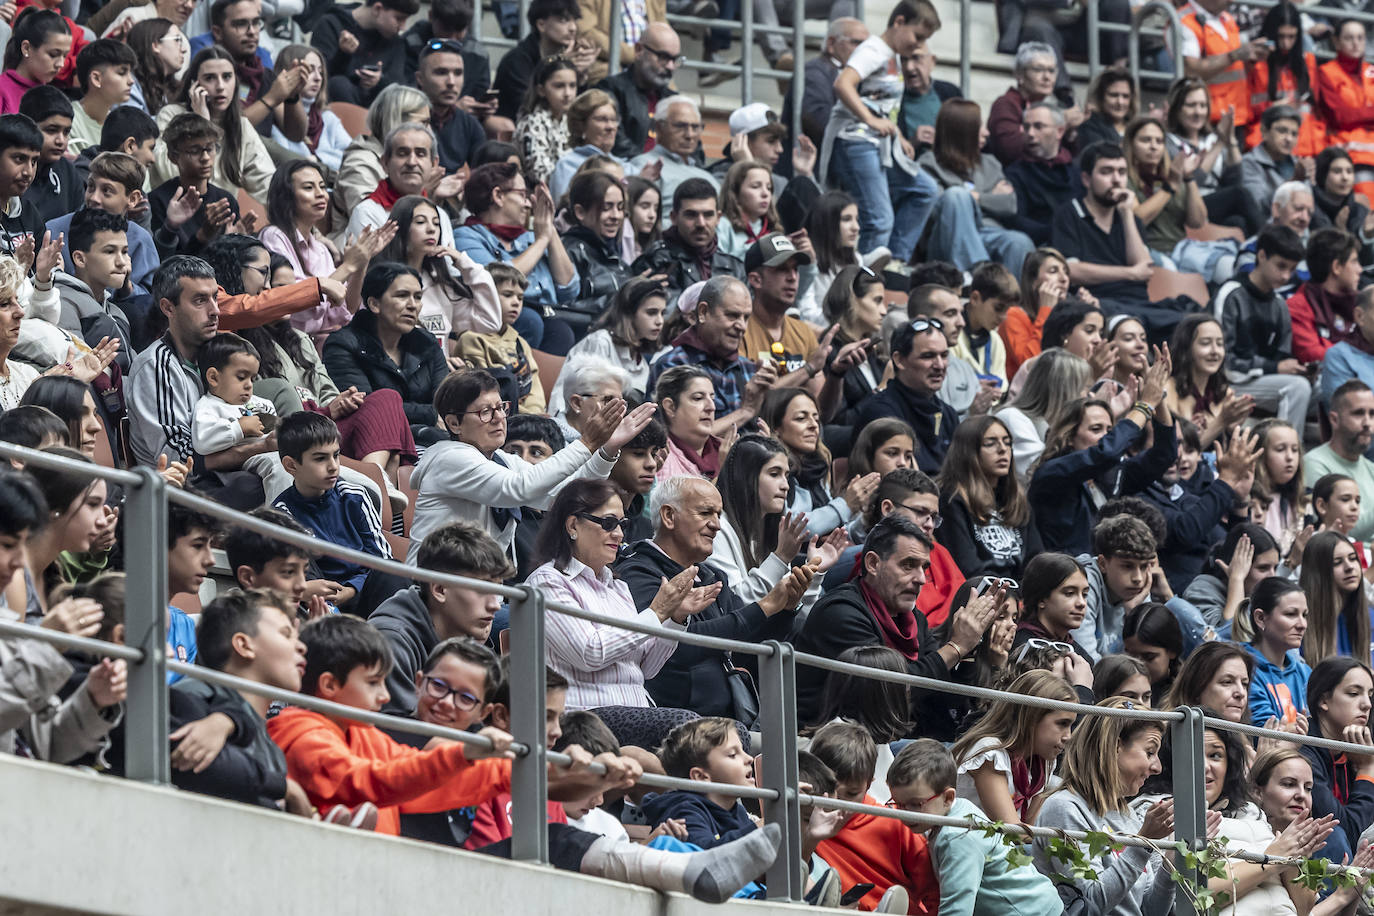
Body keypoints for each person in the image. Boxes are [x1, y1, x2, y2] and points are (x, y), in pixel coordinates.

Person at [408, 367, 654, 561]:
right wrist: (587, 442)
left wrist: (607, 449)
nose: (498, 419)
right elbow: (519, 489)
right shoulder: (450, 458)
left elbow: (571, 494)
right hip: (433, 590)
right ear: (453, 424)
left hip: (478, 593)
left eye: (500, 408)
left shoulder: (504, 462)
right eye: (485, 412)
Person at [615, 474, 809, 719]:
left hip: (730, 721)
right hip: (676, 725)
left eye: (718, 514)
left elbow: (748, 642)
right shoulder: (638, 572)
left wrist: (786, 608)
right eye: (706, 513)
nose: (717, 524)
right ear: (669, 516)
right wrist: (766, 605)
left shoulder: (711, 575)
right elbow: (674, 649)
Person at [530, 477, 721, 711]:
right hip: (585, 716)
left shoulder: (618, 587)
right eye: (609, 523)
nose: (619, 534)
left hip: (636, 711)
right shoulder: (548, 581)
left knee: (734, 734)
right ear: (572, 526)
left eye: (623, 524)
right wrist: (656, 611)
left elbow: (648, 668)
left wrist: (675, 617)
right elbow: (591, 653)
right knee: (691, 729)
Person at [793, 514, 1001, 725]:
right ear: (873, 563)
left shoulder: (914, 619)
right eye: (908, 565)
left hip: (883, 742)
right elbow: (891, 691)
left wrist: (968, 650)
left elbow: (942, 697)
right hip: (825, 744)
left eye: (924, 568)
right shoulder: (841, 612)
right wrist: (956, 646)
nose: (920, 579)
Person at [1031, 696, 1174, 914]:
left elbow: (1149, 911)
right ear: (1115, 745)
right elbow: (1090, 904)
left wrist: (1171, 866)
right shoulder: (1063, 808)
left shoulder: (1127, 815)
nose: (1158, 767)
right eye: (1150, 752)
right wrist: (1144, 843)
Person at [1028, 351, 1174, 557]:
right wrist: (1145, 404)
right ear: (1069, 437)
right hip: (1063, 578)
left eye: (1109, 430)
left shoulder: (1108, 474)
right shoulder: (1052, 472)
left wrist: (1159, 397)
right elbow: (1105, 453)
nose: (1106, 436)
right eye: (1096, 429)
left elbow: (1164, 455)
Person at [823, 0, 939, 261]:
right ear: (899, 22)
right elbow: (843, 84)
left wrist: (897, 134)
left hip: (880, 145)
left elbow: (882, 103)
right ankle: (861, 284)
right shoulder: (873, 50)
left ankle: (893, 263)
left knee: (926, 190)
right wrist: (870, 120)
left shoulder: (892, 55)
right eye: (917, 36)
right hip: (856, 142)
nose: (919, 45)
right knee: (879, 219)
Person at [1053, 142, 1199, 343]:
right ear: (1086, 179)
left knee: (1193, 324)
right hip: (1096, 303)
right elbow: (1072, 270)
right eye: (1106, 172)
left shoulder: (1128, 216)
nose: (1116, 180)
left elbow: (1144, 269)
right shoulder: (1069, 213)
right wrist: (1130, 273)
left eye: (1121, 172)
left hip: (1139, 303)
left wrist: (1127, 215)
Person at [270, 412, 411, 616]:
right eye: (320, 459)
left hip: (363, 595)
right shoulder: (282, 514)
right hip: (316, 600)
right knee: (297, 567)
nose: (333, 466)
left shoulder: (356, 497)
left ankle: (392, 638)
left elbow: (381, 561)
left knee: (392, 570)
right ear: (291, 465)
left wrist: (352, 589)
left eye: (336, 455)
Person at [368, 521, 513, 714]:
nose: (495, 605)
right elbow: (397, 734)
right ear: (440, 589)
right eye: (482, 590)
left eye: (496, 592)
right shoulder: (391, 641)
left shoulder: (463, 635)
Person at [321, 262, 451, 447]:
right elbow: (369, 407)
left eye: (418, 297)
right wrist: (430, 414)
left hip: (433, 437)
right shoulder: (344, 345)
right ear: (374, 304)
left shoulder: (426, 342)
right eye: (402, 295)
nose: (413, 305)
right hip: (378, 443)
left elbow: (447, 399)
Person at [454, 162, 578, 355]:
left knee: (562, 331)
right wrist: (543, 239)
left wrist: (550, 229)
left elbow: (569, 288)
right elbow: (497, 281)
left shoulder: (531, 237)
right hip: (500, 320)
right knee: (530, 320)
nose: (528, 204)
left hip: (548, 316)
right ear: (498, 196)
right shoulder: (466, 236)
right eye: (522, 195)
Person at [261, 160, 380, 347]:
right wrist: (348, 265)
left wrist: (361, 263)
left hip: (319, 345)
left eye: (323, 187)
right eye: (309, 187)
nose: (321, 194)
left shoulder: (321, 249)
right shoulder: (274, 236)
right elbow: (293, 304)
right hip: (283, 343)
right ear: (286, 196)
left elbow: (346, 309)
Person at [371, 195, 501, 360]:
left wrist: (463, 262)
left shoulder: (441, 286)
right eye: (420, 222)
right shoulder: (380, 281)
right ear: (401, 228)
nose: (431, 229)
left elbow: (489, 321)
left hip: (440, 380)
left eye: (436, 223)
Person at [918, 99, 1033, 275]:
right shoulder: (929, 164)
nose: (986, 133)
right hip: (946, 240)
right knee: (955, 196)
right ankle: (971, 273)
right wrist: (988, 197)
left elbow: (1010, 205)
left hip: (987, 233)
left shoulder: (991, 163)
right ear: (961, 132)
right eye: (979, 127)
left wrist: (977, 198)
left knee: (1019, 241)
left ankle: (1008, 300)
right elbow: (938, 209)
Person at [1215, 223, 1311, 433]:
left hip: (1261, 380)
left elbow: (1280, 357)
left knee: (1322, 386)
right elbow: (1223, 362)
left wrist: (1295, 369)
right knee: (1297, 388)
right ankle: (1288, 452)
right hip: (1228, 381)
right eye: (1281, 266)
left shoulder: (1279, 305)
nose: (1286, 276)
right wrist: (1274, 368)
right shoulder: (1231, 294)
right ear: (1261, 256)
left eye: (1292, 269)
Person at [648, 276, 776, 432]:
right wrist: (745, 412)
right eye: (732, 315)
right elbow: (671, 440)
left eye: (746, 317)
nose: (741, 326)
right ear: (703, 312)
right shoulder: (673, 365)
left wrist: (770, 394)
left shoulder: (748, 369)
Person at [950, 670, 1076, 827]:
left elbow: (1032, 827)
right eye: (1062, 724)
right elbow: (1012, 830)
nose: (1068, 736)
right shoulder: (989, 754)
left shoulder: (1042, 761)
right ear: (1032, 717)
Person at [151, 47, 275, 204]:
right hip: (174, 212)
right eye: (210, 78)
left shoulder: (241, 126)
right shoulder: (170, 115)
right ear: (194, 85)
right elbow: (169, 173)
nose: (220, 86)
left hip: (223, 218)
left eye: (227, 77)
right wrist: (202, 123)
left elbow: (266, 183)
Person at [1125, 116, 1237, 284]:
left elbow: (1197, 222)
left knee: (1229, 266)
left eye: (1159, 141)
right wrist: (1169, 187)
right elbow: (1137, 220)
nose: (1154, 146)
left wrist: (1188, 177)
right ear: (1131, 144)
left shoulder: (1173, 174)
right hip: (1148, 252)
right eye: (1146, 140)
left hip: (1182, 249)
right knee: (1175, 272)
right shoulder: (1124, 178)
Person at [936, 415, 1041, 580]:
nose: (1002, 449)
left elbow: (1036, 562)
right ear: (968, 451)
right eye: (990, 443)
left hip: (1021, 597)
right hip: (980, 595)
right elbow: (967, 568)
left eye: (1007, 442)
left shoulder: (1017, 499)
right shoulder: (951, 500)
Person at [856, 317, 961, 475]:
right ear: (899, 360)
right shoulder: (881, 413)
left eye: (944, 355)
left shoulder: (949, 415)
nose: (940, 365)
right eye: (928, 356)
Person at [763, 387, 874, 537]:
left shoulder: (816, 466)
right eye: (801, 418)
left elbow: (837, 530)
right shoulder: (774, 471)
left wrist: (863, 514)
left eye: (816, 418)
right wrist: (845, 504)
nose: (813, 425)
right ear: (776, 428)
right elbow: (791, 528)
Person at [641, 717, 760, 849]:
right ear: (701, 776)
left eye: (743, 751)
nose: (749, 758)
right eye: (732, 754)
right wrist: (759, 830)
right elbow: (705, 856)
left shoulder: (738, 812)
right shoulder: (684, 811)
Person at [1301, 657, 1374, 863]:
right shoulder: (1303, 749)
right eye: (1353, 693)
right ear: (1324, 700)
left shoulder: (1359, 747)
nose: (1367, 704)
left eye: (1370, 695)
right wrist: (1367, 771)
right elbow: (1347, 833)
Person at [552, 278, 665, 411]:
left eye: (662, 313)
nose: (660, 321)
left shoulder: (642, 363)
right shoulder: (601, 342)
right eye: (651, 313)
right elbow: (578, 401)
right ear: (629, 312)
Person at [632, 180, 745, 305]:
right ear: (674, 218)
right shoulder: (656, 262)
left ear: (718, 218)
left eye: (708, 215)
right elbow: (665, 316)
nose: (701, 224)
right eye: (691, 215)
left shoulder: (735, 268)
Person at [147, 113, 241, 258]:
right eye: (195, 151)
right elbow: (166, 265)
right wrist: (202, 236)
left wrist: (238, 245)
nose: (205, 158)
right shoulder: (158, 201)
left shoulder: (226, 201)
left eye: (210, 149)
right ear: (173, 157)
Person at [457, 262, 545, 415]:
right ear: (485, 296)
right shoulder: (471, 338)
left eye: (520, 297)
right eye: (508, 294)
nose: (516, 302)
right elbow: (483, 392)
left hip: (531, 417)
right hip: (496, 416)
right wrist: (527, 415)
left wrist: (535, 413)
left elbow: (534, 387)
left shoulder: (520, 343)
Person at [333, 83, 430, 222]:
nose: (429, 131)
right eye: (423, 124)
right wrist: (426, 193)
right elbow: (368, 223)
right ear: (397, 121)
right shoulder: (360, 162)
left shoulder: (416, 160)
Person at [994, 348, 1090, 481]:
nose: (1087, 395)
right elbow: (1039, 474)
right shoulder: (1011, 418)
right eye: (1083, 388)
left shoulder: (1053, 425)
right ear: (1062, 391)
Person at [1164, 314, 1252, 450]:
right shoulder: (1168, 388)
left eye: (1220, 344)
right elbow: (1180, 455)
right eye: (1205, 343)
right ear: (1186, 348)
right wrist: (1222, 421)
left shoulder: (1224, 391)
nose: (1215, 351)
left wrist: (1232, 431)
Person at [986, 43, 1081, 167]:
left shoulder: (1053, 106)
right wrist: (1060, 123)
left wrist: (1069, 134)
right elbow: (1010, 151)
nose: (1047, 77)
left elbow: (1072, 158)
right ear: (1019, 74)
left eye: (1051, 71)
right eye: (1038, 70)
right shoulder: (1005, 105)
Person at [594, 21, 679, 159]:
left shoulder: (675, 102)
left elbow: (694, 155)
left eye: (674, 59)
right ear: (639, 50)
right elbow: (618, 146)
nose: (670, 66)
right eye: (663, 57)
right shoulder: (610, 90)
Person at [631, 97, 720, 228]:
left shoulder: (708, 177)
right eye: (680, 126)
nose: (689, 135)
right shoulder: (644, 166)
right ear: (659, 127)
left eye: (695, 127)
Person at [560, 170, 632, 331]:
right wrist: (624, 297)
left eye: (620, 208)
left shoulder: (611, 254)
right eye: (607, 208)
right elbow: (565, 309)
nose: (616, 216)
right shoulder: (568, 251)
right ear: (580, 212)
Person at [310, 0, 418, 107]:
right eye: (399, 19)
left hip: (376, 113)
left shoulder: (396, 42)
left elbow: (400, 86)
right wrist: (343, 55)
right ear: (377, 9)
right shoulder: (331, 24)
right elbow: (319, 78)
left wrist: (379, 82)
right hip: (335, 110)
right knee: (339, 84)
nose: (403, 27)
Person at [491, 0, 583, 123]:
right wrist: (558, 66)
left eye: (574, 20)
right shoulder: (516, 60)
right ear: (541, 25)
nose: (573, 28)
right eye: (563, 20)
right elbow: (526, 107)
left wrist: (581, 77)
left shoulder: (567, 58)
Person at [820, 265, 887, 429]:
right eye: (877, 301)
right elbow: (837, 422)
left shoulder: (873, 350)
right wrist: (882, 389)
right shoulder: (829, 351)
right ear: (852, 298)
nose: (884, 311)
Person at [786, 18, 868, 151]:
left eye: (867, 45)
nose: (864, 51)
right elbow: (819, 120)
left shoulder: (854, 74)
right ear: (831, 43)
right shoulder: (814, 72)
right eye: (857, 43)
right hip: (809, 163)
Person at [266, 45, 351, 173]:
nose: (318, 78)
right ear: (289, 71)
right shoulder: (277, 119)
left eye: (321, 72)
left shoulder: (328, 118)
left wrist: (319, 159)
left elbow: (353, 156)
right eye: (310, 71)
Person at [1003, 103, 1076, 248]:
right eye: (1026, 127)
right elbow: (1017, 219)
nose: (1030, 134)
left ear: (1060, 132)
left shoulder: (1078, 172)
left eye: (1038, 126)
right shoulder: (1015, 173)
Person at [1306, 381, 1374, 536]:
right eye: (1358, 413)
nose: (1367, 423)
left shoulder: (1371, 468)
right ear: (1334, 419)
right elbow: (1334, 530)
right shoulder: (1314, 463)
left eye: (1372, 414)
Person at [1246, 576, 1311, 727]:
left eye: (1304, 615)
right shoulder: (1243, 668)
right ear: (1261, 618)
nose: (1302, 624)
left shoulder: (1305, 672)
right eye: (1291, 614)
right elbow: (1265, 734)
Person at [548, 90, 634, 204]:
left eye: (614, 120)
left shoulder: (627, 166)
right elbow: (564, 208)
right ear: (581, 125)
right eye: (601, 119)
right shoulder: (567, 165)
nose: (610, 127)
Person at [1300, 531, 1371, 666]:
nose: (1349, 567)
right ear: (1317, 572)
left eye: (1352, 558)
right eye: (1337, 563)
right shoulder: (1300, 623)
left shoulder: (1370, 615)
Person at [414, 37, 484, 173]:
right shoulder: (405, 119)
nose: (451, 82)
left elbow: (484, 175)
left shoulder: (470, 124)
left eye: (458, 73)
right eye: (441, 72)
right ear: (420, 79)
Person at [17, 87, 80, 225]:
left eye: (66, 132)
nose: (61, 140)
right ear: (28, 126)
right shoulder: (10, 173)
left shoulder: (68, 172)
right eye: (52, 130)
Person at [514, 55, 578, 187]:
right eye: (559, 86)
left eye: (572, 86)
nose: (568, 93)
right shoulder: (532, 123)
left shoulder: (572, 121)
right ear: (541, 90)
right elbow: (539, 175)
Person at [1241, 106, 1313, 218]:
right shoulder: (1249, 163)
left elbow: (1309, 207)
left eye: (1294, 134)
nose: (1289, 139)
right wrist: (1294, 182)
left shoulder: (1298, 164)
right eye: (1282, 131)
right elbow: (1258, 206)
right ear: (1264, 131)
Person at [0, 10, 71, 114]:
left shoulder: (54, 98)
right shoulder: (2, 90)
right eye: (53, 54)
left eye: (65, 56)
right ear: (26, 48)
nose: (61, 64)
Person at [126, 18, 186, 118]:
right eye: (177, 40)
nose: (183, 49)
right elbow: (136, 128)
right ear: (155, 45)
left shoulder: (169, 86)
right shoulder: (129, 85)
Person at [1077, 67, 1134, 150]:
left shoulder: (1135, 126)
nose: (1120, 102)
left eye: (1125, 96)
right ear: (1100, 96)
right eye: (1114, 95)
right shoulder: (1090, 126)